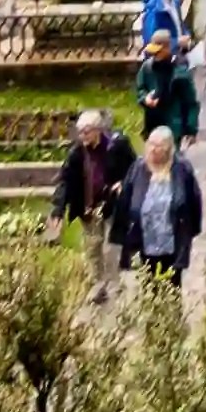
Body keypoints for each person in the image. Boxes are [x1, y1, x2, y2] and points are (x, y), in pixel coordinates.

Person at [53, 106, 132, 293]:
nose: (82, 136)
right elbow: (65, 182)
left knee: (111, 246)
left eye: (86, 132)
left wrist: (123, 183)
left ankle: (113, 283)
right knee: (92, 247)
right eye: (80, 132)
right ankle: (98, 284)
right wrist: (58, 210)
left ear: (98, 130)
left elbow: (135, 168)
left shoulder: (117, 146)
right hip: (89, 206)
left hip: (113, 204)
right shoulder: (77, 153)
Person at [118, 122, 203, 284]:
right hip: (142, 244)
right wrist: (123, 236)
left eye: (159, 146)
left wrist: (188, 233)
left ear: (169, 148)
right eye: (151, 144)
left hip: (171, 245)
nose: (153, 150)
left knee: (171, 293)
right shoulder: (138, 168)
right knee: (147, 291)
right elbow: (125, 201)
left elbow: (194, 203)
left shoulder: (182, 169)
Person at [135, 0, 188, 125]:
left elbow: (179, 23)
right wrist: (176, 42)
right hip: (165, 59)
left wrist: (186, 35)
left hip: (178, 55)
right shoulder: (155, 11)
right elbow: (152, 41)